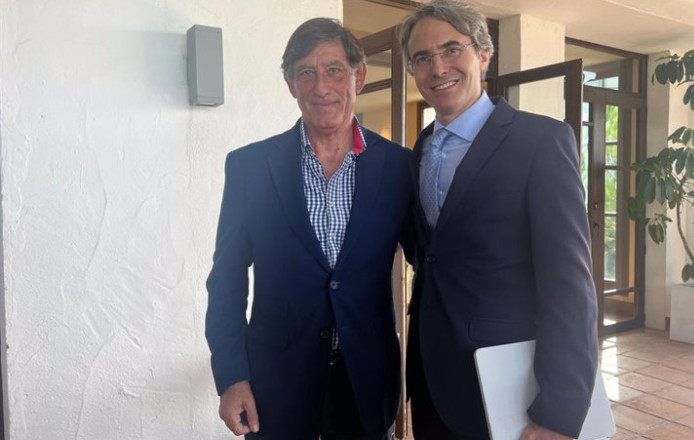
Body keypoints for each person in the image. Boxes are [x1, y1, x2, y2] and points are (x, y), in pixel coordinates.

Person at [398, 1, 599, 439]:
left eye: (452, 50)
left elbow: (570, 285)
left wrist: (559, 411)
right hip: (432, 381)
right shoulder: (421, 149)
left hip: (509, 384)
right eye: (422, 58)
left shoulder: (541, 141)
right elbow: (430, 255)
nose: (438, 68)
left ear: (483, 55)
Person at [205, 17, 413, 440]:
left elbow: (432, 265)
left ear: (358, 77)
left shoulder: (399, 167)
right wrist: (231, 377)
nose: (321, 87)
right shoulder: (249, 167)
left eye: (334, 70)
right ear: (290, 84)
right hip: (275, 387)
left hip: (366, 383)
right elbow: (226, 279)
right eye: (306, 73)